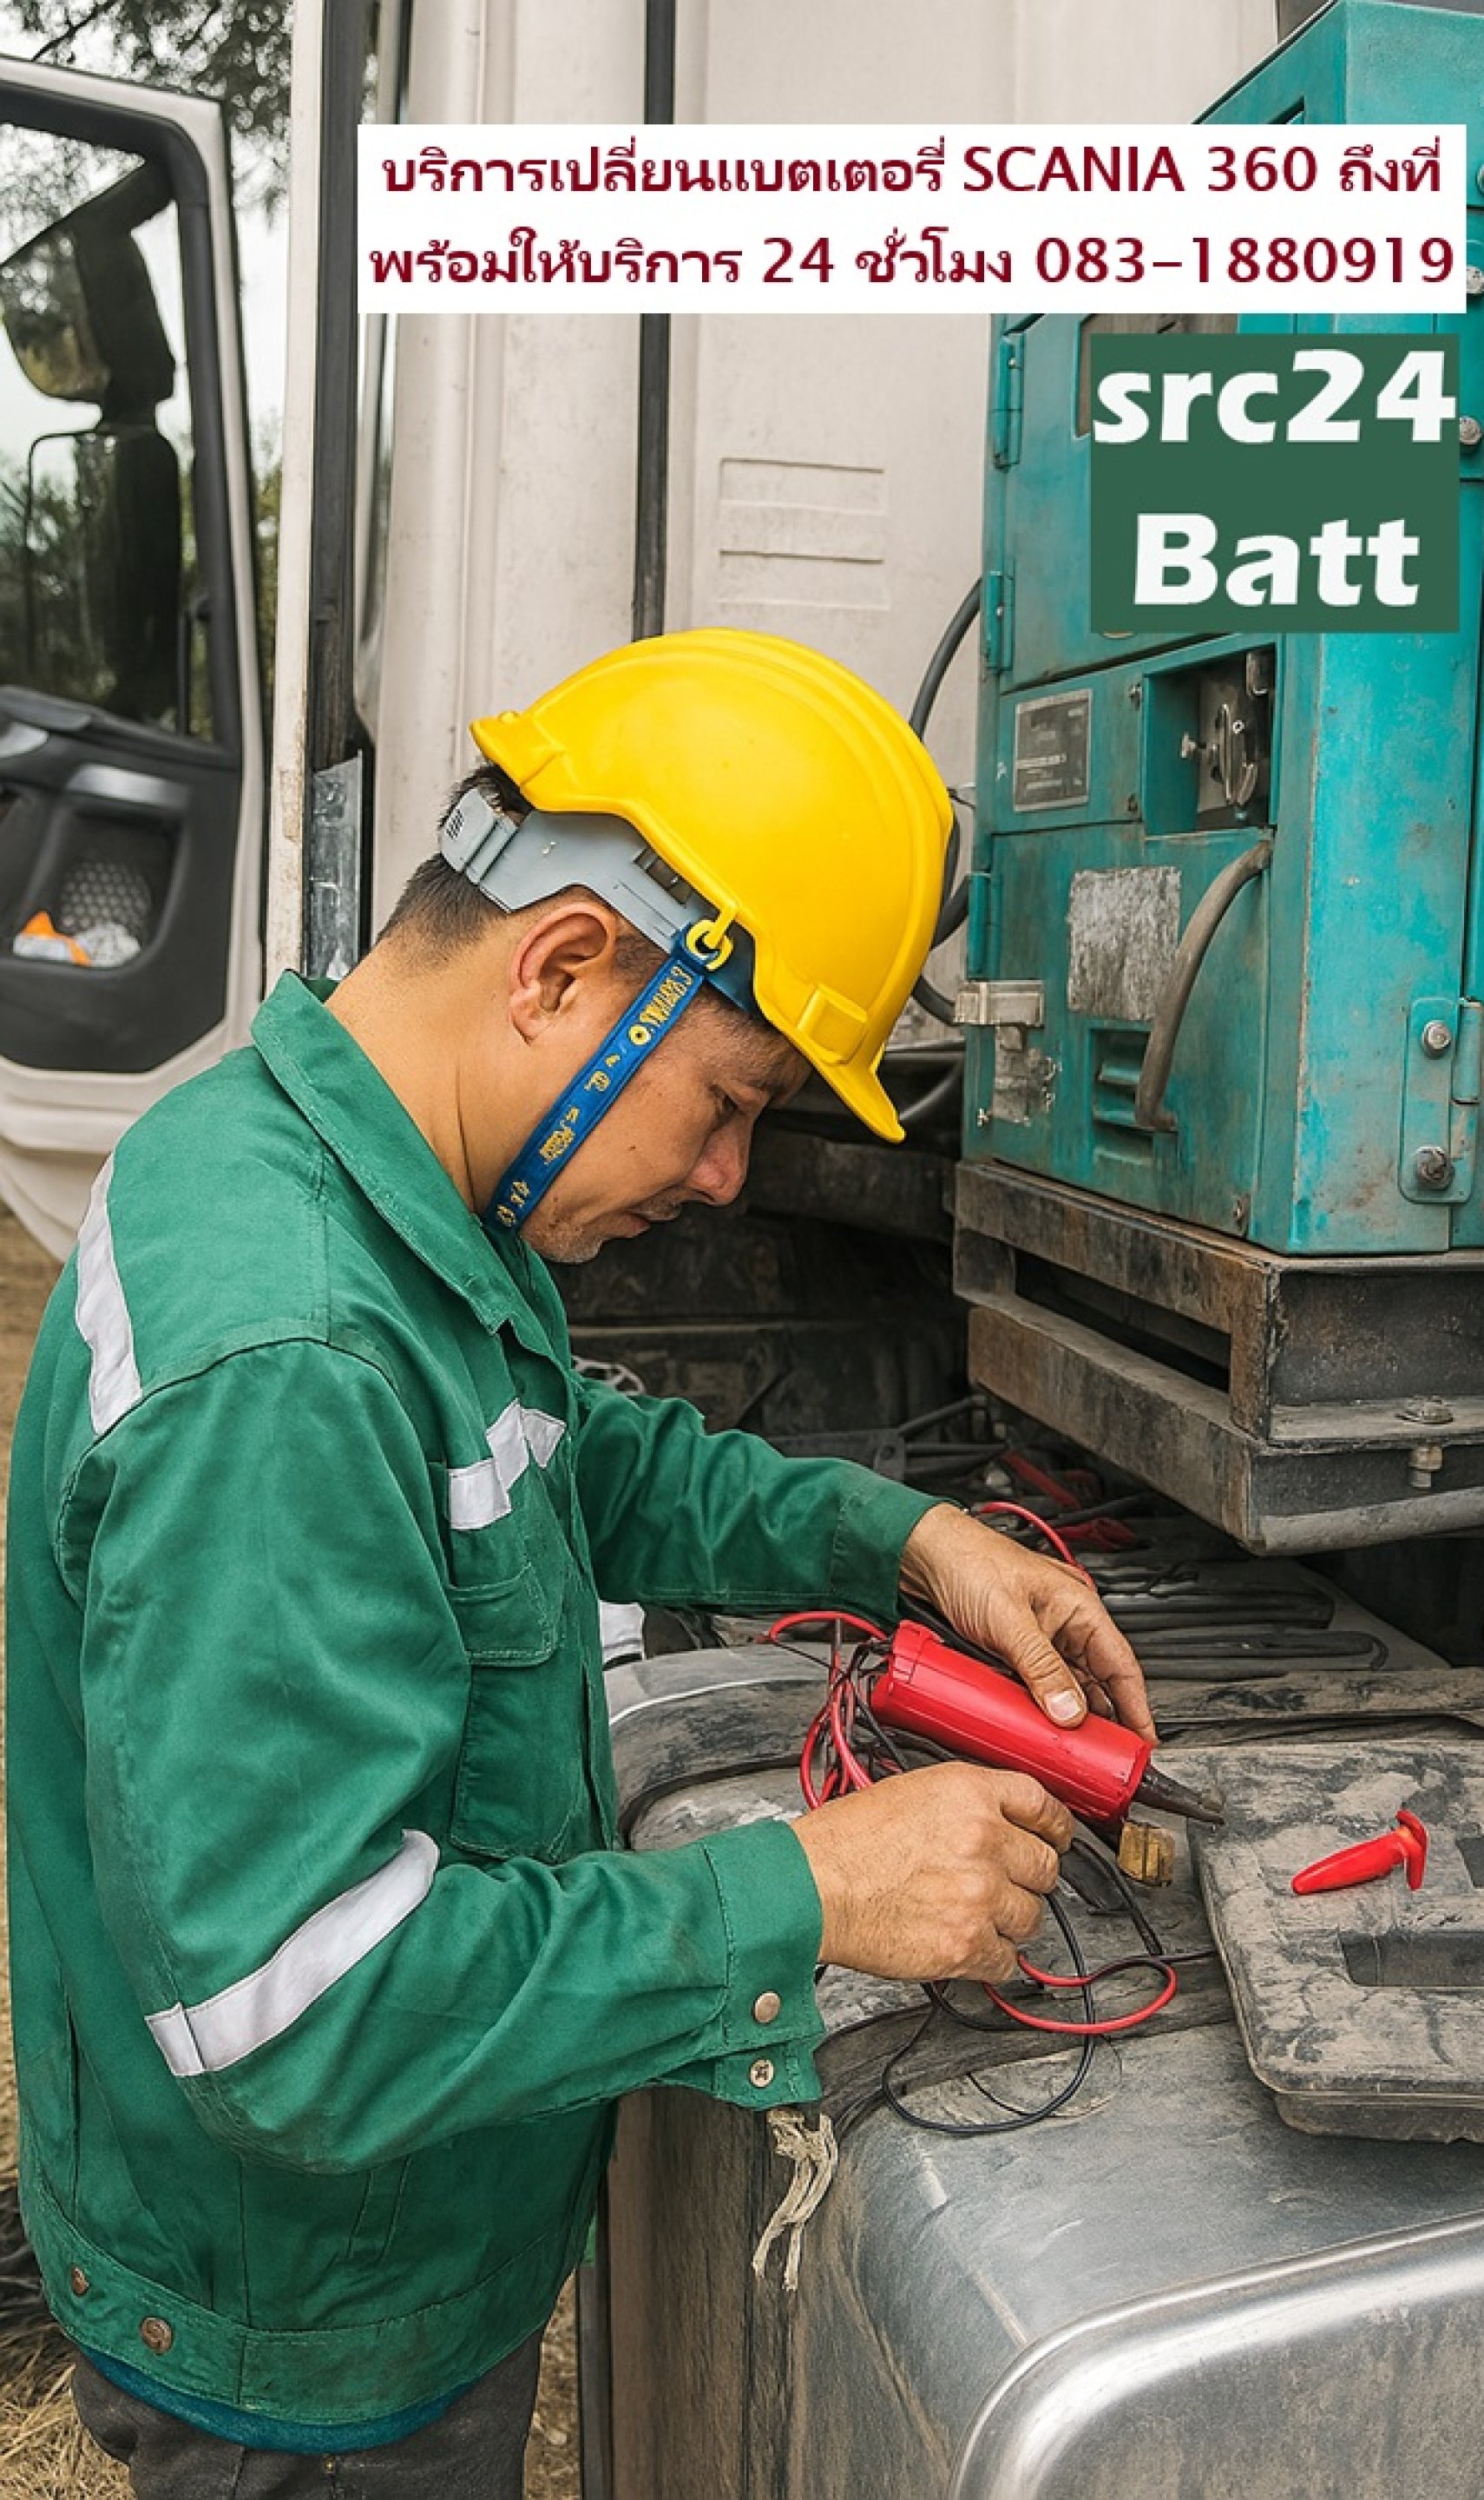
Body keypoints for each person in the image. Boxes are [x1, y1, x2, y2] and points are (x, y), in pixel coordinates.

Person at [5, 628, 1154, 2496]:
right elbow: (299, 2012)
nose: (726, 1177)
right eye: (732, 1100)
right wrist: (809, 1890)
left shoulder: (346, 1171)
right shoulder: (289, 1358)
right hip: (306, 2330)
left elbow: (558, 1458)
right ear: (561, 967)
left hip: (383, 2246)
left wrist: (902, 1536)